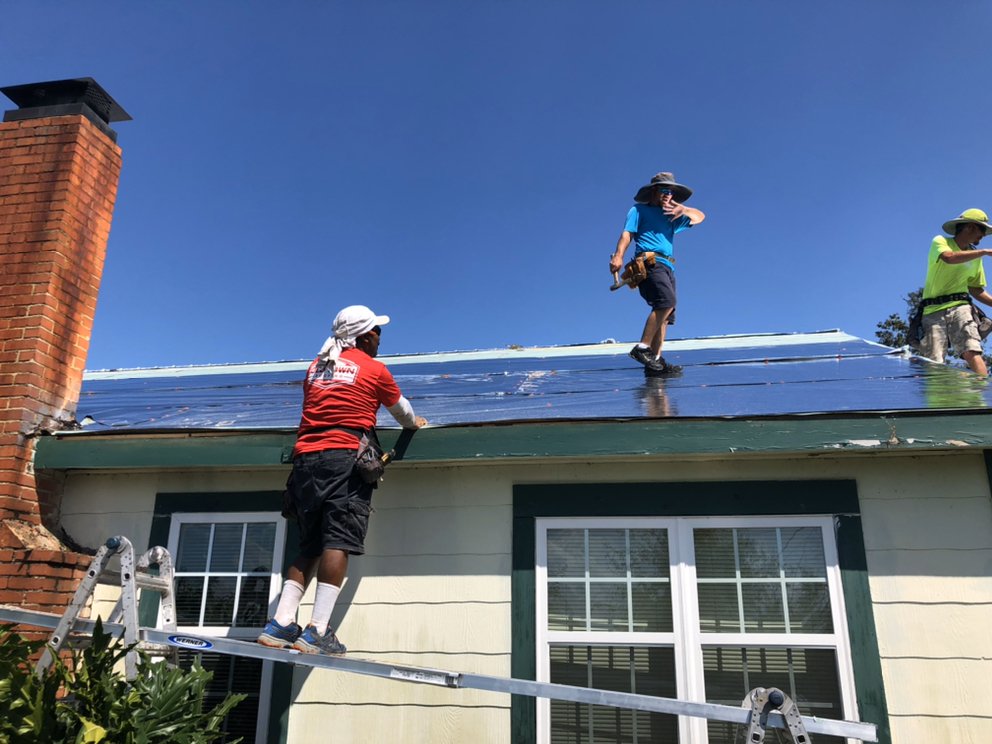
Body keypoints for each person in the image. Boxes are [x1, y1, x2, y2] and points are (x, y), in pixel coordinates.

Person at [257, 305, 427, 656]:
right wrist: (414, 425)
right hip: (344, 458)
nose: (380, 338)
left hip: (305, 460)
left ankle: (282, 623)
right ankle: (317, 630)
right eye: (378, 332)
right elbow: (401, 411)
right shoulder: (374, 369)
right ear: (365, 336)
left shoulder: (316, 368)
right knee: (338, 541)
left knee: (309, 545)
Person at [611, 172, 705, 375]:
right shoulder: (639, 210)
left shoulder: (672, 215)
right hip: (649, 262)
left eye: (671, 191)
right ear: (654, 191)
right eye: (663, 190)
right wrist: (619, 256)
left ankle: (655, 361)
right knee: (666, 303)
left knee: (667, 314)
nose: (667, 195)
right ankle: (642, 348)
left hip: (668, 266)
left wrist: (684, 208)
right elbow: (627, 233)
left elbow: (700, 217)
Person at [920, 209, 992, 375]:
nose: (983, 236)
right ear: (970, 227)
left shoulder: (975, 258)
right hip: (933, 310)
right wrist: (984, 252)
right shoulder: (941, 241)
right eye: (982, 230)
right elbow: (949, 257)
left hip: (961, 306)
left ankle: (985, 394)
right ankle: (937, 398)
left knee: (971, 349)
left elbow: (975, 289)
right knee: (934, 360)